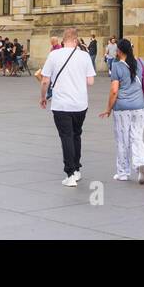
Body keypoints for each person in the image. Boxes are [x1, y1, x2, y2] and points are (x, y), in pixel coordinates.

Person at [39, 26, 95, 186]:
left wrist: (43, 97)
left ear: (63, 41)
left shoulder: (54, 55)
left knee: (66, 136)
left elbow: (45, 80)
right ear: (76, 40)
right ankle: (77, 169)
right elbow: (90, 81)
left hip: (61, 104)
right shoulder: (84, 56)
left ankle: (70, 174)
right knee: (77, 135)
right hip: (80, 104)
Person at [100, 37, 144, 183]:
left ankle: (123, 172)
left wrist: (108, 109)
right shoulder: (140, 62)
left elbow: (114, 91)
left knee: (122, 140)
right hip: (139, 107)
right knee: (137, 137)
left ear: (119, 51)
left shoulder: (117, 66)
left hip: (122, 109)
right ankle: (140, 163)